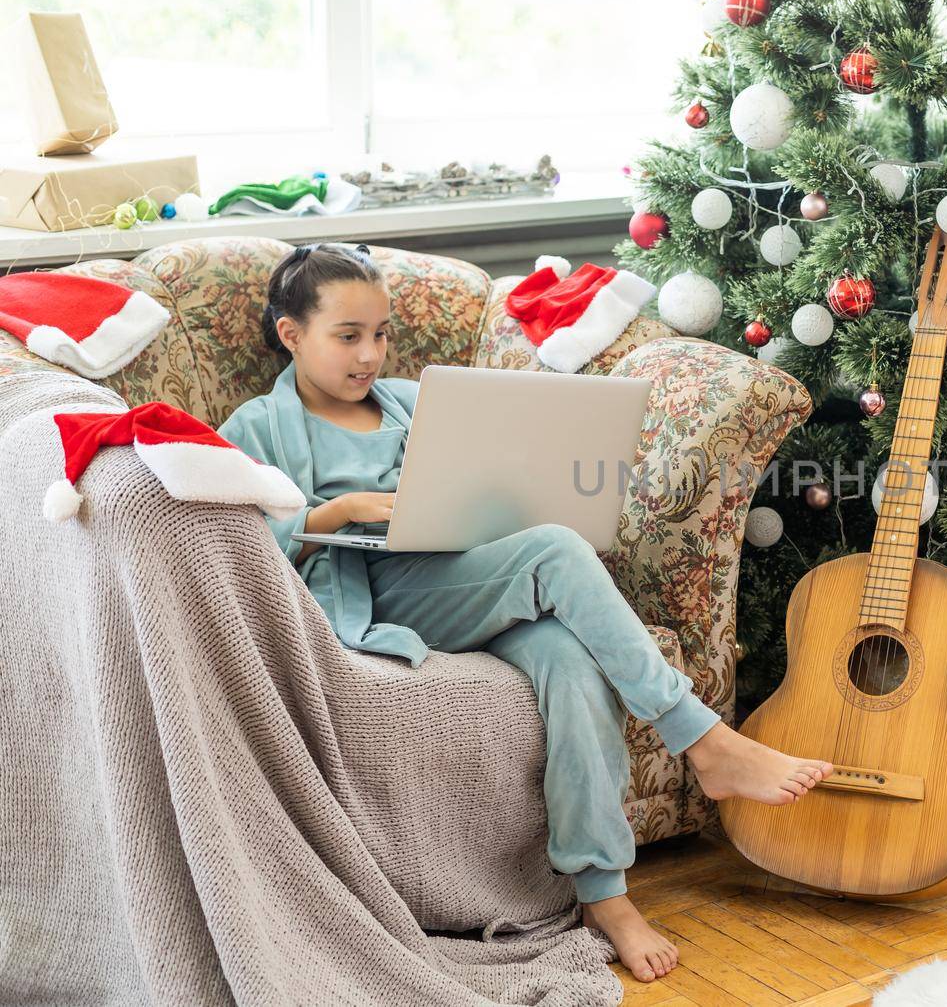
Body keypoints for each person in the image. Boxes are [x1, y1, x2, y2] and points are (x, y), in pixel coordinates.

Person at [217, 242, 832, 983]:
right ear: (291, 334)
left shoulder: (413, 401)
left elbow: (480, 482)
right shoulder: (256, 426)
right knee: (555, 552)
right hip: (379, 591)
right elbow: (238, 542)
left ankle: (603, 893)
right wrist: (343, 508)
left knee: (570, 662)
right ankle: (701, 739)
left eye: (381, 332)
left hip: (465, 569)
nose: (370, 353)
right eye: (348, 335)